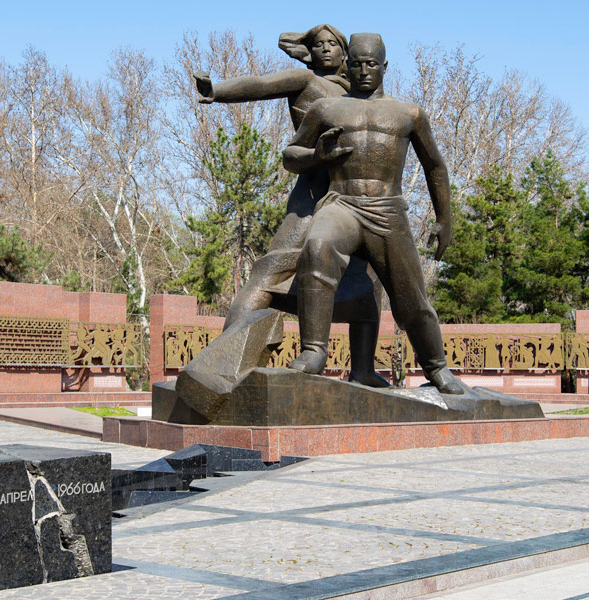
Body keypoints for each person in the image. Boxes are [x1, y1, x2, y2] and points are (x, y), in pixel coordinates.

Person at [194, 24, 388, 387]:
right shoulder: (306, 81)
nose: (326, 50)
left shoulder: (361, 93)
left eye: (333, 44)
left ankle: (363, 368)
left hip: (354, 201)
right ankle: (220, 361)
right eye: (318, 45)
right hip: (312, 197)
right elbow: (261, 84)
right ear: (308, 52)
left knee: (366, 283)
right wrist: (216, 91)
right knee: (272, 270)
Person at [281, 33, 465, 394]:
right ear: (347, 65)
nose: (364, 71)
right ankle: (315, 351)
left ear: (385, 66)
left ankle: (437, 367)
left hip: (387, 211)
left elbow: (435, 167)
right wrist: (316, 156)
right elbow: (290, 156)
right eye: (357, 64)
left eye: (371, 64)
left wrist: (444, 220)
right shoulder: (326, 109)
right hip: (342, 204)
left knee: (411, 296)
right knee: (317, 247)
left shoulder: (408, 113)